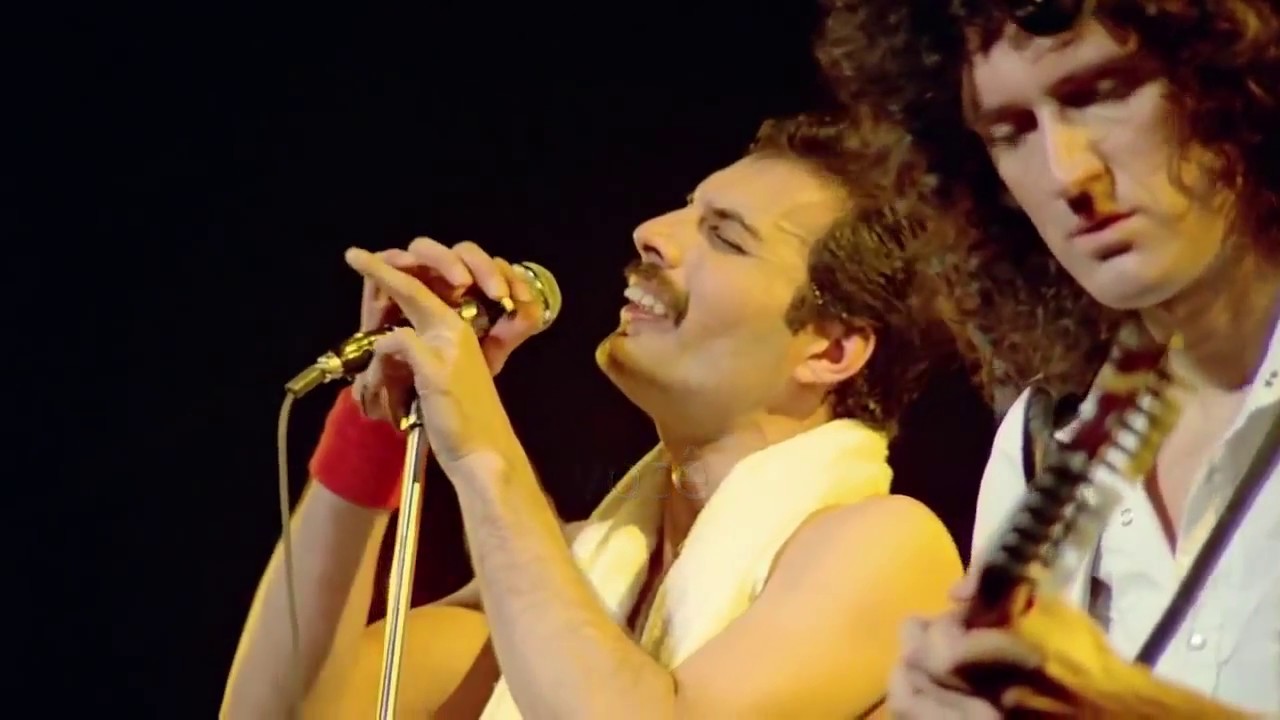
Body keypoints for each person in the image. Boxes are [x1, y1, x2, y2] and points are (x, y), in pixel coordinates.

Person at [220, 111, 964, 719]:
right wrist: (379, 422)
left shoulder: (888, 545)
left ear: (831, 349)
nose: (652, 231)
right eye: (685, 208)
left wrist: (482, 450)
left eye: (724, 236)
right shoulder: (580, 571)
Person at [815, 0, 1280, 716]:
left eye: (1102, 95)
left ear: (1235, 80)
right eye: (1010, 133)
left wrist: (1130, 709)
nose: (1068, 173)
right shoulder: (1042, 438)